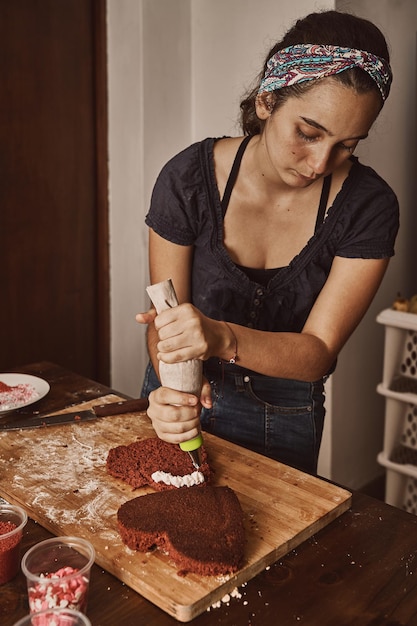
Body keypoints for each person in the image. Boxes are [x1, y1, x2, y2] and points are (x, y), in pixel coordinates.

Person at [136, 10, 399, 475]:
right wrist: (171, 384)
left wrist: (221, 337)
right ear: (266, 101)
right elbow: (165, 318)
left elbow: (317, 351)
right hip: (178, 399)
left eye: (347, 146)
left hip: (286, 417)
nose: (320, 163)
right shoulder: (187, 181)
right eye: (308, 133)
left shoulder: (368, 206)